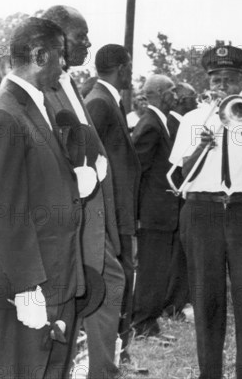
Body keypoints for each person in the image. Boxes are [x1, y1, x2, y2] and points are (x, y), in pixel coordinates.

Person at [0, 17, 82, 378]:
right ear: (41, 55)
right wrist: (27, 290)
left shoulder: (31, 108)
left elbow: (36, 183)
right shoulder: (4, 115)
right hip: (27, 286)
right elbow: (3, 211)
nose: (65, 66)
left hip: (54, 276)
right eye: (61, 57)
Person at [169, 45, 242, 379]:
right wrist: (202, 144)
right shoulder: (194, 119)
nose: (222, 85)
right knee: (206, 300)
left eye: (229, 79)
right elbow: (181, 174)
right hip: (202, 212)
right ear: (207, 81)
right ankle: (209, 373)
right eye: (216, 78)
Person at [42, 6, 126, 377]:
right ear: (57, 39)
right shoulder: (41, 89)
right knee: (85, 299)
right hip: (67, 224)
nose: (89, 43)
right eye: (81, 36)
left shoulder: (71, 85)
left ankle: (98, 370)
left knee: (104, 290)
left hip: (91, 221)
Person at [84, 43, 141, 366]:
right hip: (109, 216)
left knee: (123, 282)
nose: (130, 72)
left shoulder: (108, 101)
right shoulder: (99, 103)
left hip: (119, 214)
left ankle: (117, 355)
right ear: (122, 68)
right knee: (116, 284)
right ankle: (109, 358)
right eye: (129, 66)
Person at [131, 74, 181, 338]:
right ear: (161, 94)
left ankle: (147, 322)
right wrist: (137, 214)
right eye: (172, 91)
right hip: (153, 214)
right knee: (152, 270)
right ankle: (144, 324)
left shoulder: (159, 122)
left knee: (158, 269)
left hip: (160, 213)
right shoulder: (150, 124)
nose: (176, 95)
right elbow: (137, 171)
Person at [162, 81, 196, 318]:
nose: (198, 101)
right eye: (193, 98)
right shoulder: (176, 123)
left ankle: (178, 300)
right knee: (178, 256)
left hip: (179, 198)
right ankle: (174, 303)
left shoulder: (175, 122)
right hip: (175, 198)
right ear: (183, 100)